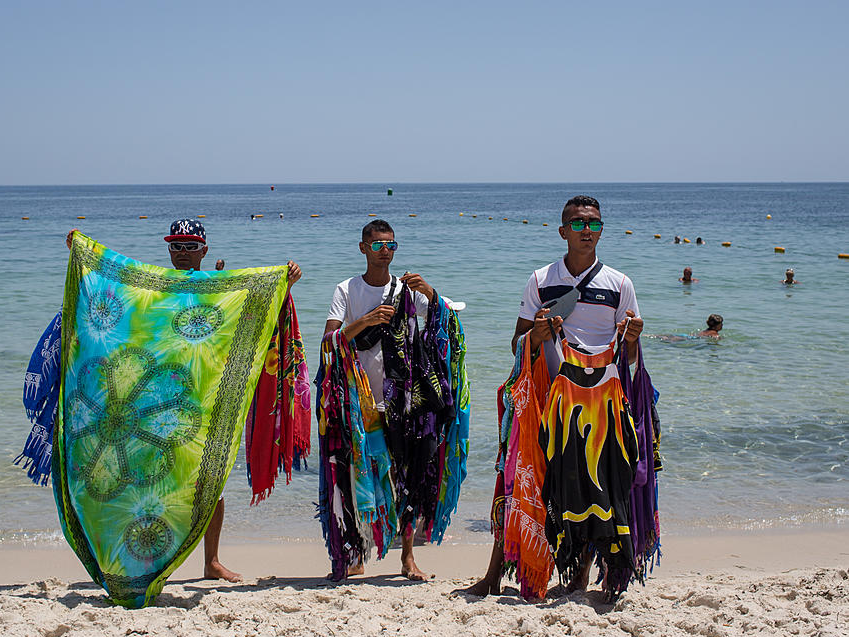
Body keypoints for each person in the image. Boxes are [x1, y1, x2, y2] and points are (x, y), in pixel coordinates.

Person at [69, 219, 302, 583]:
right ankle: (141, 559)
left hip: (204, 400)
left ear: (204, 250)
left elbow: (251, 315)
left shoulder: (219, 288)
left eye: (189, 245)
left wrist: (283, 283)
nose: (181, 252)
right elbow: (126, 311)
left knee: (211, 481)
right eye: (175, 245)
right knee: (154, 483)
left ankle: (211, 561)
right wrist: (83, 257)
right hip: (156, 405)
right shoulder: (156, 287)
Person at [466, 195, 644, 598]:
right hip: (546, 396)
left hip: (599, 401)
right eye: (578, 223)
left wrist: (633, 341)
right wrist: (537, 336)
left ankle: (580, 575)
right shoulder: (541, 280)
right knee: (519, 477)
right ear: (563, 231)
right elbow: (517, 342)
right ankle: (496, 572)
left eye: (594, 223)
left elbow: (628, 356)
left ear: (602, 230)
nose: (587, 230)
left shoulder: (619, 284)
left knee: (593, 486)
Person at [322, 219, 438, 582]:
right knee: (357, 476)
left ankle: (407, 558)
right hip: (359, 400)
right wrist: (367, 319)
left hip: (402, 399)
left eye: (391, 245)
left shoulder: (408, 291)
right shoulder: (347, 289)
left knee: (406, 477)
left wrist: (432, 295)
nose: (385, 250)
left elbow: (441, 326)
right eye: (377, 245)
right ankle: (356, 554)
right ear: (363, 248)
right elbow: (329, 341)